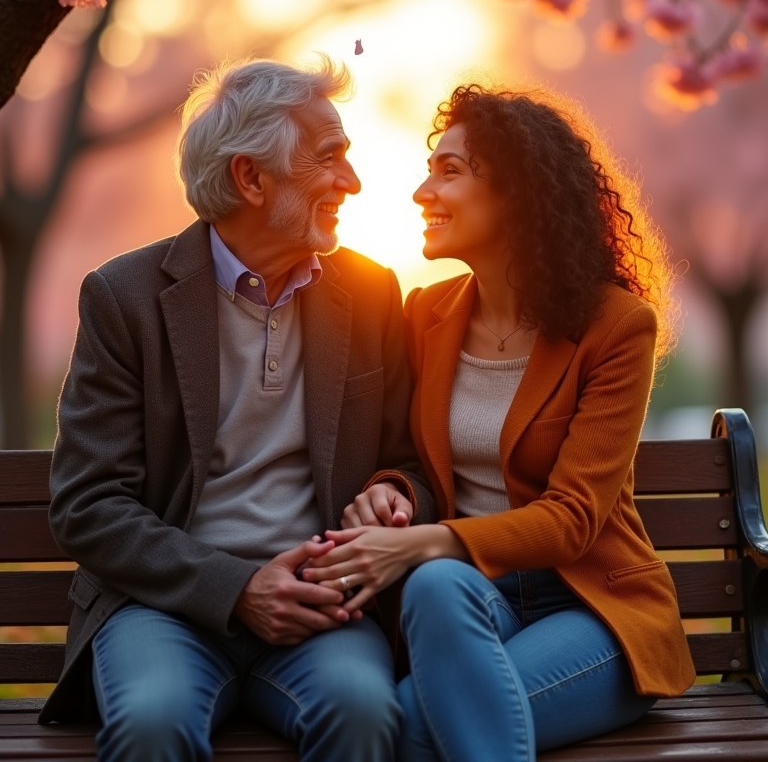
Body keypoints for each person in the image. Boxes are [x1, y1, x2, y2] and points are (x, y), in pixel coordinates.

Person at [39, 57, 436, 762]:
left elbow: (409, 460)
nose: (353, 182)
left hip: (323, 605)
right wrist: (238, 587)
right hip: (163, 607)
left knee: (366, 713)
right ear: (251, 178)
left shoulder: (372, 291)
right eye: (329, 159)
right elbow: (88, 503)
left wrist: (391, 494)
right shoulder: (124, 298)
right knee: (152, 723)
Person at [300, 84, 696, 762]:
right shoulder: (425, 315)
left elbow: (573, 518)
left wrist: (423, 542)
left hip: (592, 607)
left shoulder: (615, 327)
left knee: (412, 730)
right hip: (463, 606)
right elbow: (415, 460)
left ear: (517, 193)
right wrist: (393, 490)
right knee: (432, 582)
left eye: (449, 171)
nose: (423, 191)